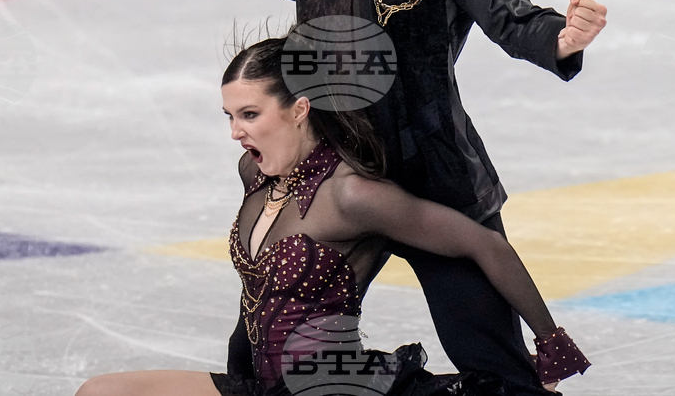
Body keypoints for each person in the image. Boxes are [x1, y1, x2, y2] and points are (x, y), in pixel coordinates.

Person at [183, 0, 607, 394]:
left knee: (497, 371)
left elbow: (506, 14)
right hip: (335, 174)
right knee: (256, 357)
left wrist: (562, 38)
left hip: (430, 179)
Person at [75, 32, 590, 396]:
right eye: (230, 116)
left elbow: (484, 244)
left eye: (250, 115)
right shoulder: (254, 175)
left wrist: (549, 346)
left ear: (299, 108)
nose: (236, 131)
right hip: (260, 386)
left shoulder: (352, 194)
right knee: (99, 392)